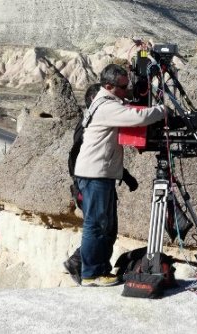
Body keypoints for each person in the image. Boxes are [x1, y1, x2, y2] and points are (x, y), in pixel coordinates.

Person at [71, 64, 165, 287]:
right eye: (123, 87)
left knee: (106, 225)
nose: (127, 90)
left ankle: (100, 269)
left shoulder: (109, 102)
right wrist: (163, 110)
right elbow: (138, 117)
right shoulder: (106, 107)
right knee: (96, 224)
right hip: (95, 174)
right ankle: (91, 273)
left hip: (99, 173)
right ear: (109, 86)